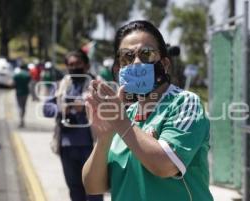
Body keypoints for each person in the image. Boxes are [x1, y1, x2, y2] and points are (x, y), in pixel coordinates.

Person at [82, 20, 213, 201]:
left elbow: (165, 166)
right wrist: (103, 139)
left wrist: (120, 122)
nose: (136, 63)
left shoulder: (185, 103)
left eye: (146, 54)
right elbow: (93, 186)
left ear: (165, 64)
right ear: (119, 68)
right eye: (127, 57)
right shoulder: (124, 115)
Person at [43, 50, 103, 201]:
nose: (74, 67)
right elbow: (46, 108)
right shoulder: (61, 86)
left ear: (86, 65)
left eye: (78, 64)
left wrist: (85, 107)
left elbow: (109, 109)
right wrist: (64, 109)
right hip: (66, 147)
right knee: (74, 190)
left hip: (91, 146)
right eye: (70, 65)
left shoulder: (98, 85)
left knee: (94, 190)